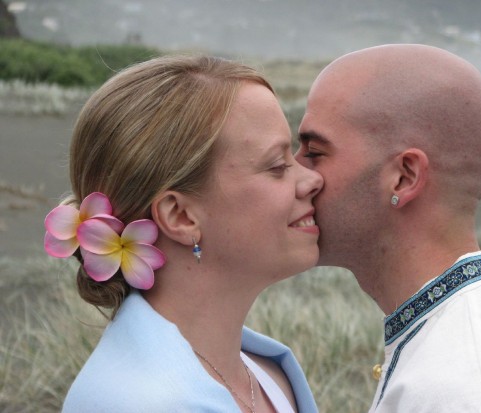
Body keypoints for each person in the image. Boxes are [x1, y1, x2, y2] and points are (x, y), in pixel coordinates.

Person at [45, 55, 323, 412]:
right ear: (180, 215)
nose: (311, 179)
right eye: (278, 166)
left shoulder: (266, 373)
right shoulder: (133, 402)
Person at [296, 44, 481, 412]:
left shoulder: (473, 388)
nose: (294, 175)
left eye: (314, 152)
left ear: (404, 177)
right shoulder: (455, 346)